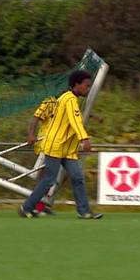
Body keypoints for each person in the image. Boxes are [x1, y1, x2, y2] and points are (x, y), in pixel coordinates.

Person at [19, 70, 103, 219]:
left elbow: (76, 117)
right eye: (86, 85)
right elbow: (75, 121)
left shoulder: (69, 99)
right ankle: (26, 207)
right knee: (49, 179)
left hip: (67, 149)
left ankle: (84, 211)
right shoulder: (69, 99)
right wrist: (85, 138)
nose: (88, 89)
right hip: (56, 145)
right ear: (76, 84)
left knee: (77, 178)